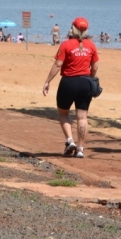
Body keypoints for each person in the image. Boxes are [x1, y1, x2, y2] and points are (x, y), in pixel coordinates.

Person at [43, 17, 99, 159]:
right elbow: (95, 66)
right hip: (85, 82)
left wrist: (47, 81)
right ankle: (80, 148)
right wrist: (91, 78)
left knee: (63, 113)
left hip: (68, 82)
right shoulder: (91, 46)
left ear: (72, 28)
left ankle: (70, 140)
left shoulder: (66, 45)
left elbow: (57, 64)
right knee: (82, 117)